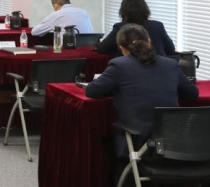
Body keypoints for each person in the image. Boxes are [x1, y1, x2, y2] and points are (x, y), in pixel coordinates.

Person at [85, 24, 198, 158]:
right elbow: (192, 94)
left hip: (137, 143)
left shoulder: (119, 65)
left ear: (122, 48)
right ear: (149, 41)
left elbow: (92, 91)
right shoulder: (171, 64)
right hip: (174, 145)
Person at [97, 0, 175, 56]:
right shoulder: (158, 26)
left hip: (128, 69)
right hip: (158, 68)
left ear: (123, 11)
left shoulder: (120, 27)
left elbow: (103, 48)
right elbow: (171, 49)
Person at [30, 0, 95, 37]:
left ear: (55, 6)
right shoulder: (83, 12)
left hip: (68, 51)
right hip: (87, 50)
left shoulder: (57, 14)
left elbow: (35, 32)